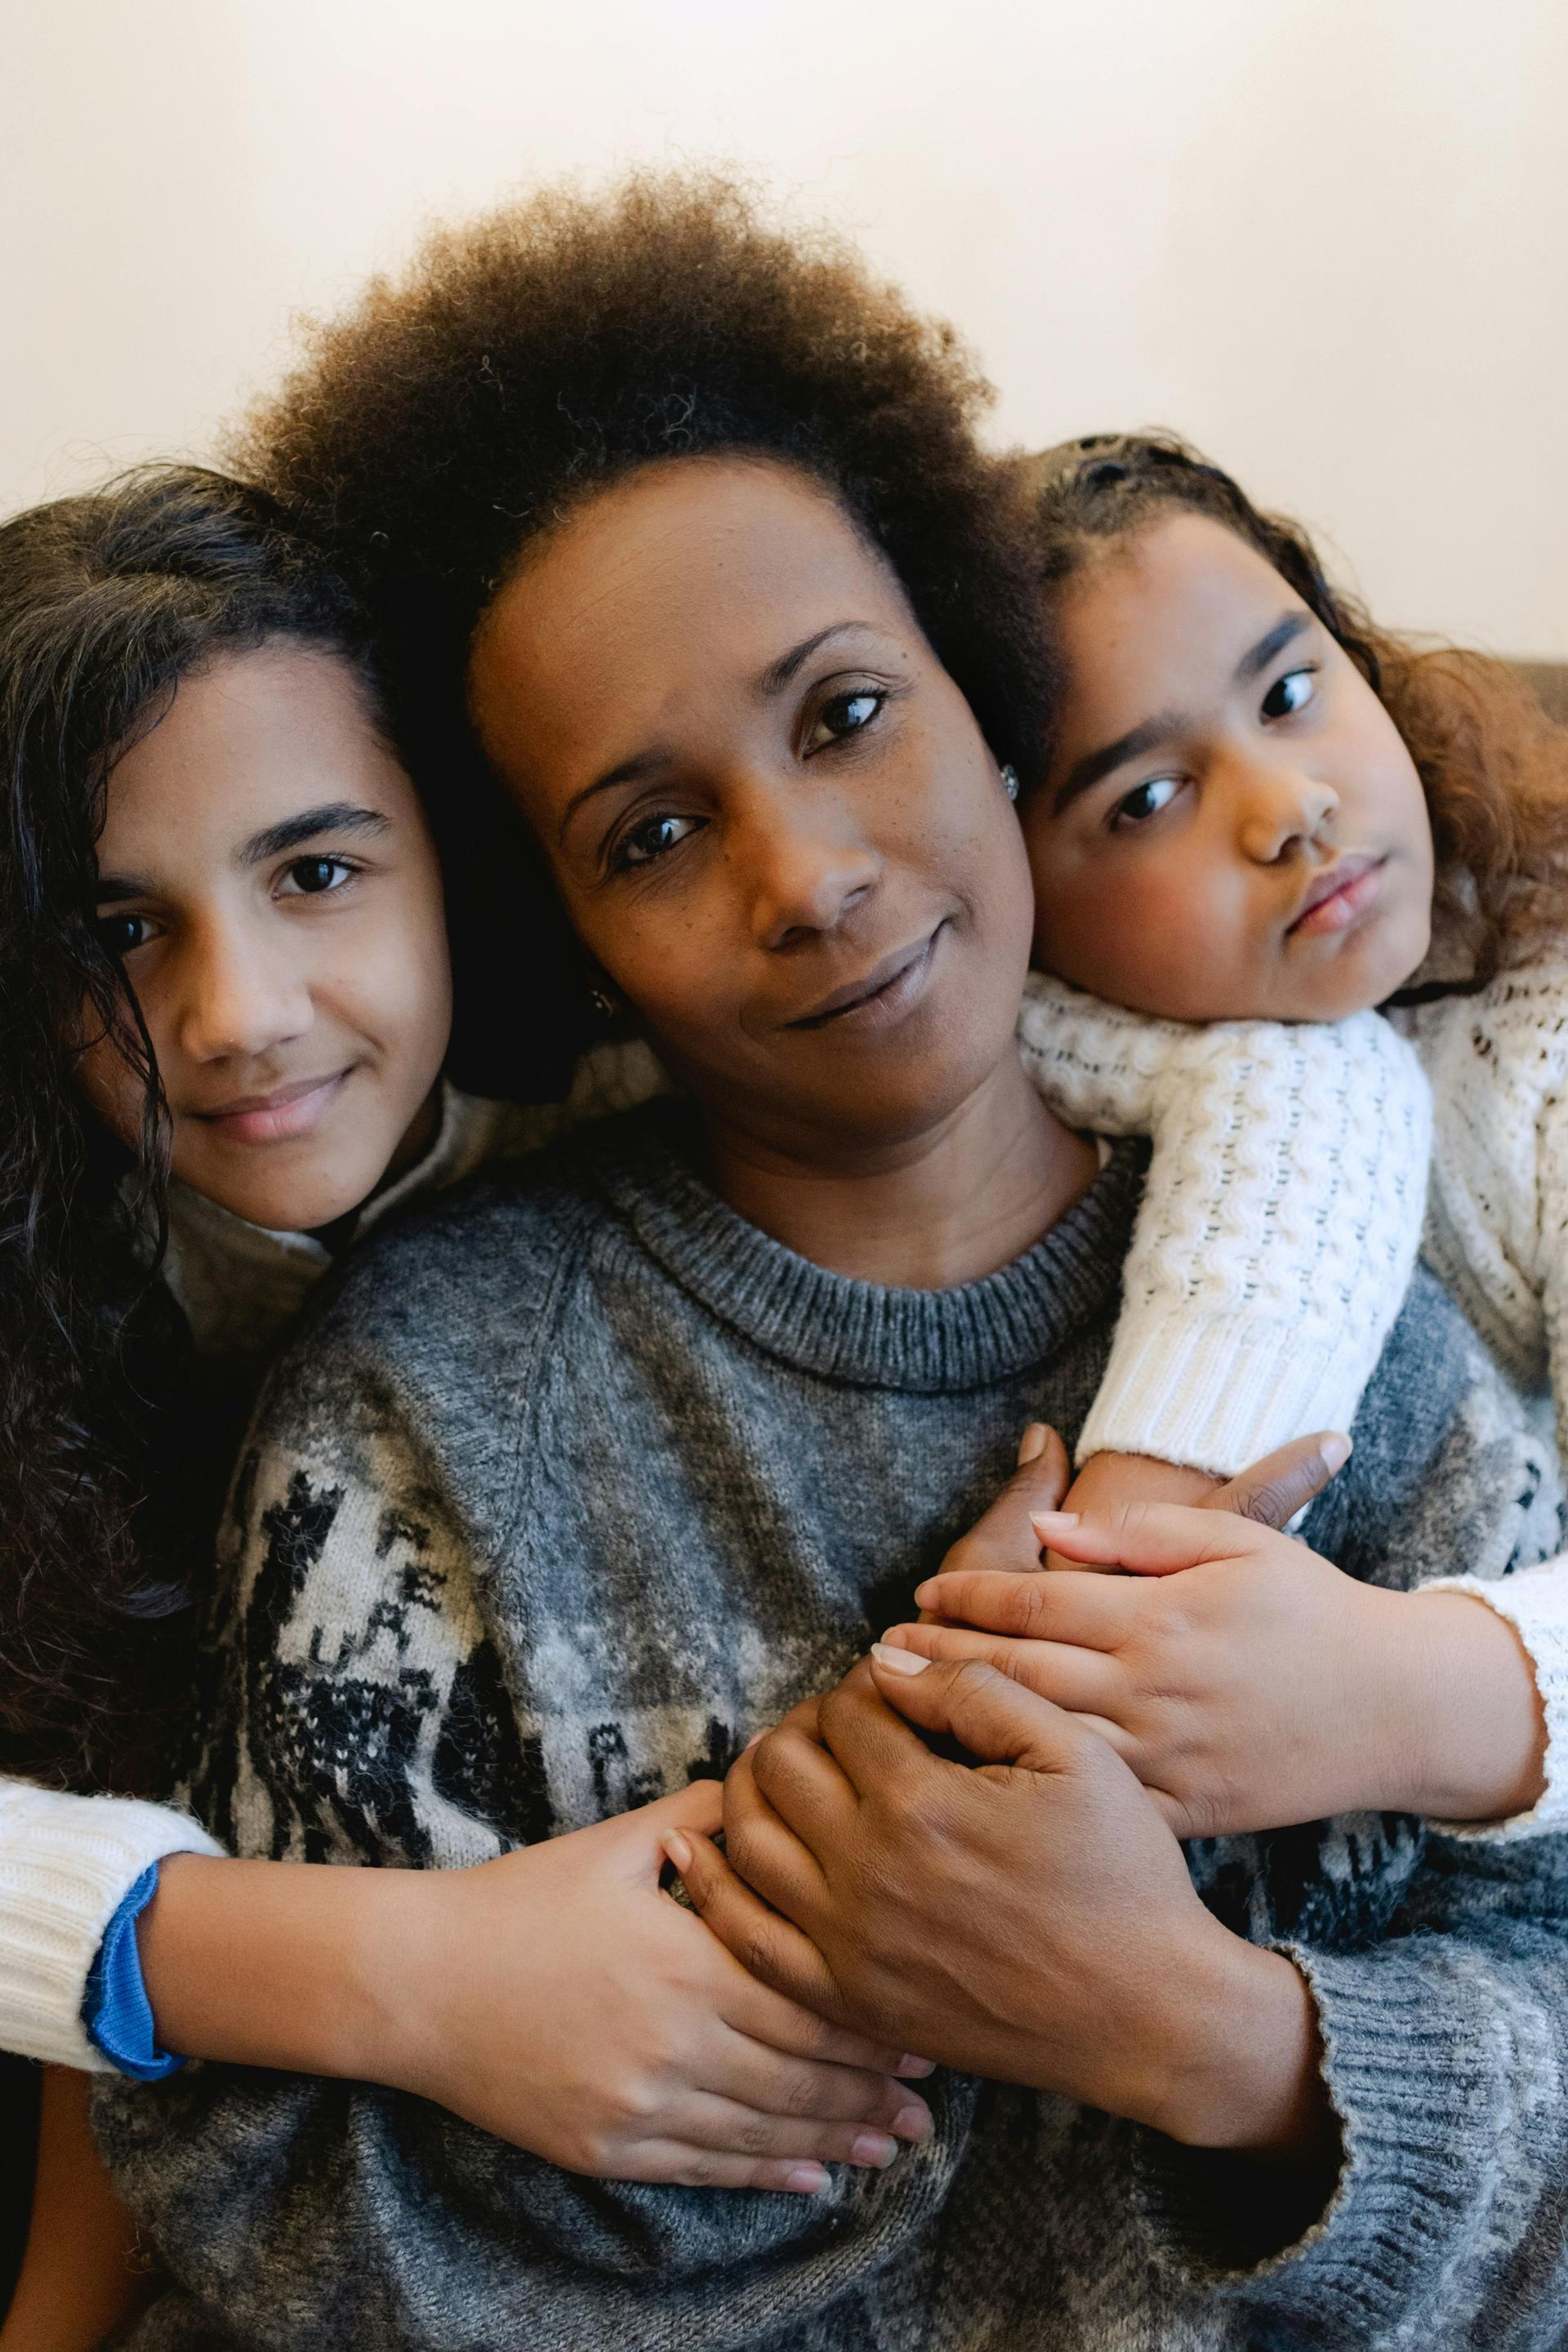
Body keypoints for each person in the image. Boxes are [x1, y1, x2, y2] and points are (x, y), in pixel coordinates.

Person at [86, 172, 1568, 2350]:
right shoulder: (429, 1410)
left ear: (990, 704)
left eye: (849, 713)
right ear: (555, 933)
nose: (806, 875)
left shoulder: (1377, 1369)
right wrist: (796, 2019)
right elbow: (256, 2170)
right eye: (653, 834)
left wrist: (1201, 2036)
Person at [0, 470, 919, 2345]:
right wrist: (411, 1978)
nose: (239, 1014)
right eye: (120, 933)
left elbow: (1197, 1065)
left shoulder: (662, 1088)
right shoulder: (48, 1242)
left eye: (316, 872)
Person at [875, 432, 1568, 1853]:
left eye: (1293, 692)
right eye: (1146, 799)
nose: (1289, 807)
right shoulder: (977, 1059)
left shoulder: (1541, 1044)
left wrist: (1394, 1690)